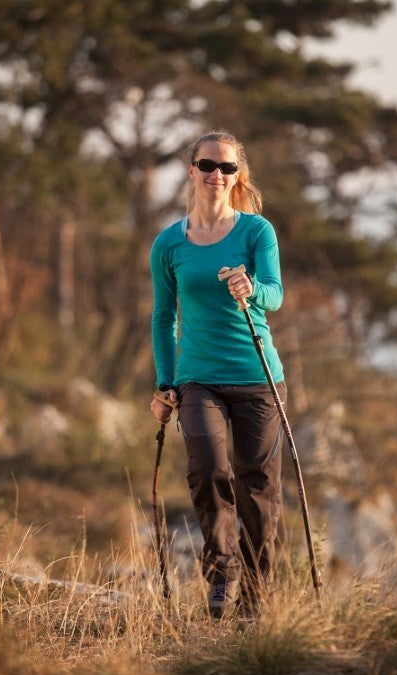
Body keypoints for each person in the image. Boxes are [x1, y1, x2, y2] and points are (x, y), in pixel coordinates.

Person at [150, 130, 286, 618]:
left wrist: (252, 288)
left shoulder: (256, 232)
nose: (217, 175)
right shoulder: (169, 244)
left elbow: (275, 294)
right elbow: (162, 317)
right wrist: (166, 383)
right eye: (208, 165)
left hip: (257, 376)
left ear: (237, 176)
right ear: (192, 170)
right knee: (208, 470)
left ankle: (254, 600)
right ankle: (222, 573)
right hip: (197, 379)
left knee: (257, 490)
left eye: (227, 168)